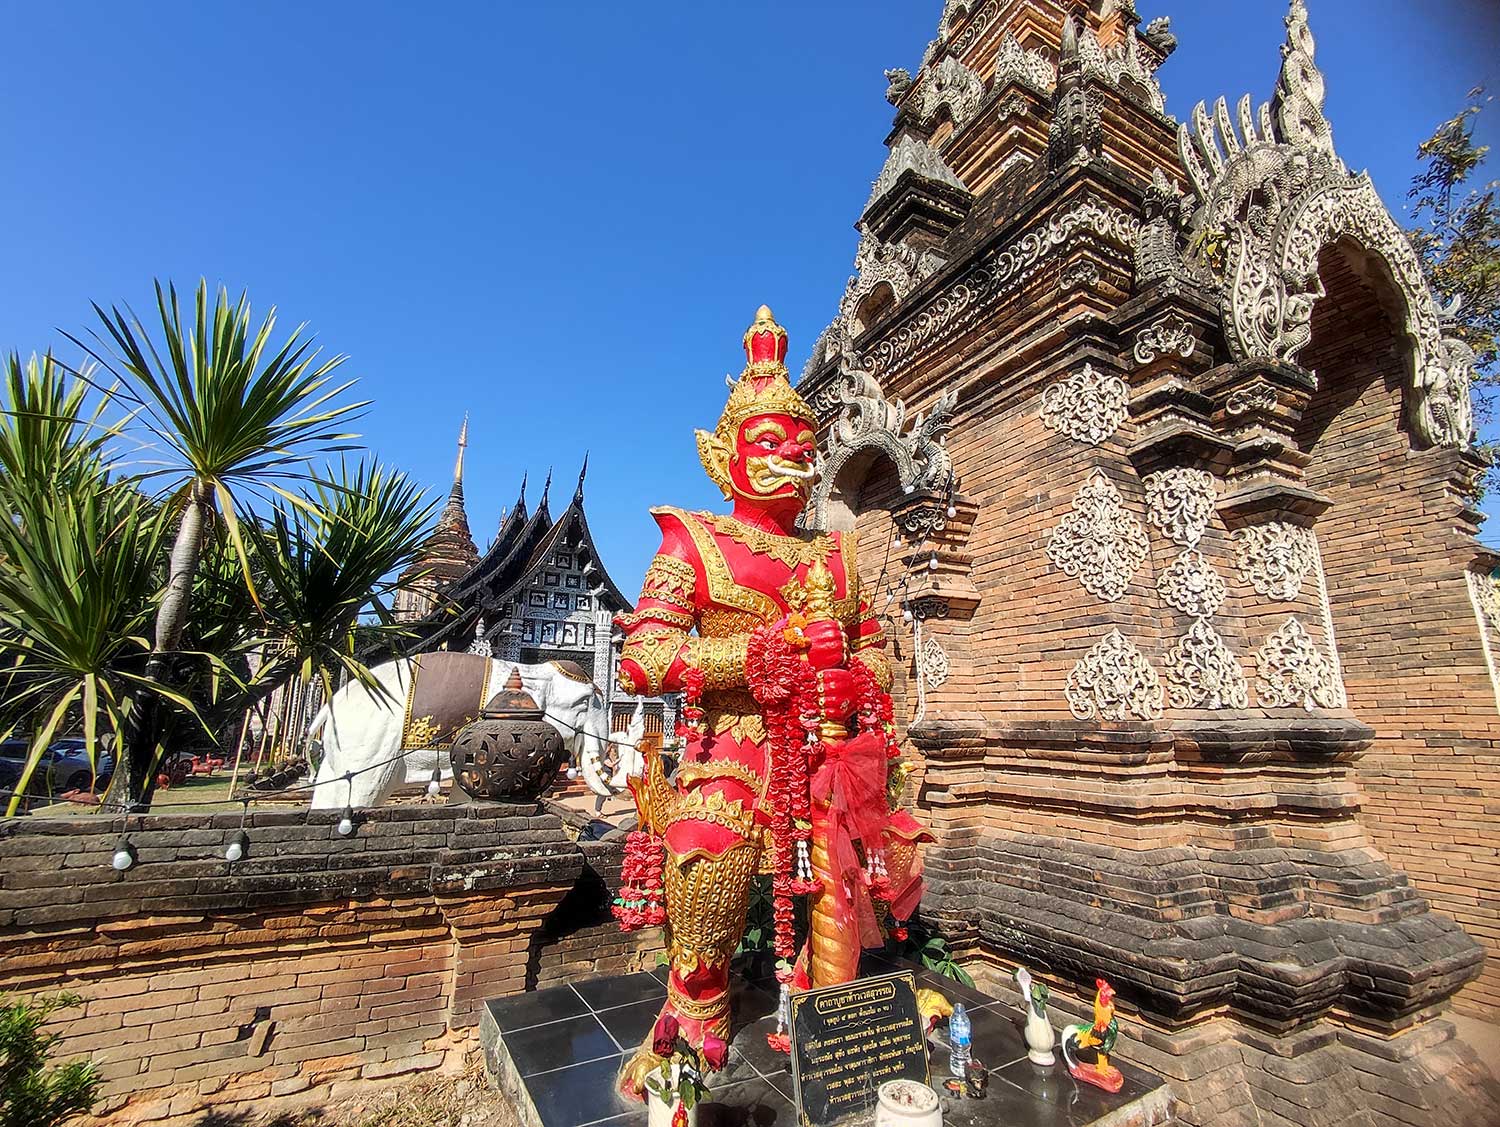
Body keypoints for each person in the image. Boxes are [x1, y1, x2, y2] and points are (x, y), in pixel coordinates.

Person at [613, 307, 928, 1097]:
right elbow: (642, 657)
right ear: (725, 457)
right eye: (770, 442)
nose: (793, 454)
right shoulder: (693, 540)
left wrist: (855, 678)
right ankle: (698, 1007)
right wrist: (747, 657)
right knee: (704, 837)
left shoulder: (835, 556)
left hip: (824, 746)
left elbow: (875, 656)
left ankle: (838, 1014)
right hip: (736, 742)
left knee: (854, 853)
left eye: (802, 443)